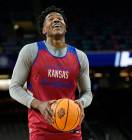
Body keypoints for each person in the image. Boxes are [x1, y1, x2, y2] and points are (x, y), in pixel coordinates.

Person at [9, 5, 92, 140]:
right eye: (50, 19)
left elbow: (87, 92)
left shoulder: (80, 56)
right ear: (43, 29)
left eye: (60, 19)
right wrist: (38, 104)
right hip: (40, 128)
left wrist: (81, 102)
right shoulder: (30, 51)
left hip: (71, 126)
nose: (56, 20)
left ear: (66, 28)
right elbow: (14, 87)